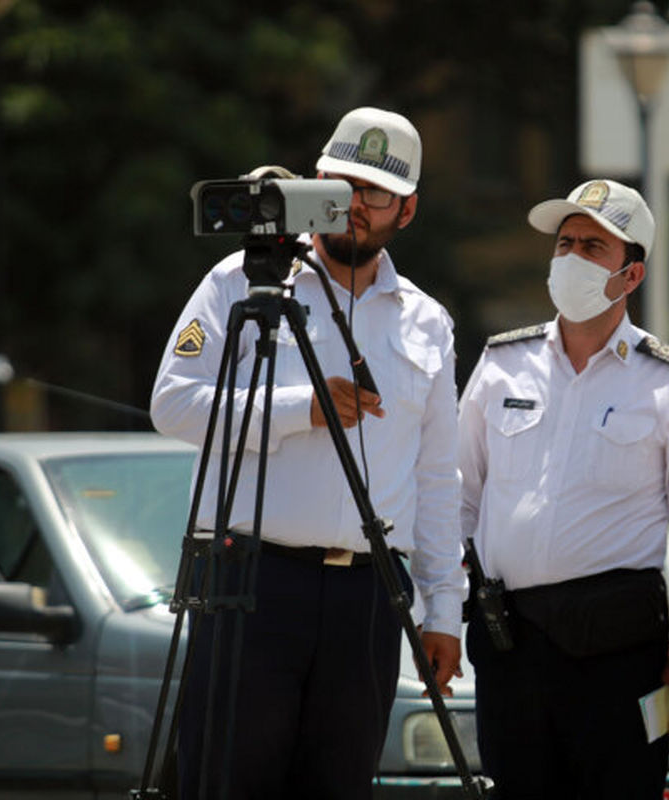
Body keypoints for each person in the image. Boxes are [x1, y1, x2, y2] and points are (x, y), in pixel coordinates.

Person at [150, 106, 465, 800]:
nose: (351, 207)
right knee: (228, 782)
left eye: (373, 195)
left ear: (406, 211)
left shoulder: (427, 321)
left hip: (368, 596)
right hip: (250, 583)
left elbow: (438, 477)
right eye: (337, 186)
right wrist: (303, 409)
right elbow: (171, 404)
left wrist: (444, 612)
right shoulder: (241, 282)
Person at [458, 179, 669, 799]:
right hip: (510, 642)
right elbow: (456, 496)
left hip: (618, 648)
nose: (570, 258)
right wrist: (445, 600)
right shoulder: (502, 362)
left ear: (631, 274)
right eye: (564, 243)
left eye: (593, 246)